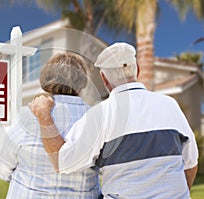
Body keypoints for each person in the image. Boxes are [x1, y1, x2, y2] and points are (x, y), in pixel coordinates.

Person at [29, 42, 199, 198]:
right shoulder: (169, 105)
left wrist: (44, 116)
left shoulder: (100, 115)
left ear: (104, 79)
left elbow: (62, 161)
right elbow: (190, 165)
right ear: (137, 70)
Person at [0, 52, 101, 198]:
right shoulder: (97, 118)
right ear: (82, 81)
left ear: (47, 78)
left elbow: (5, 165)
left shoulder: (29, 114)